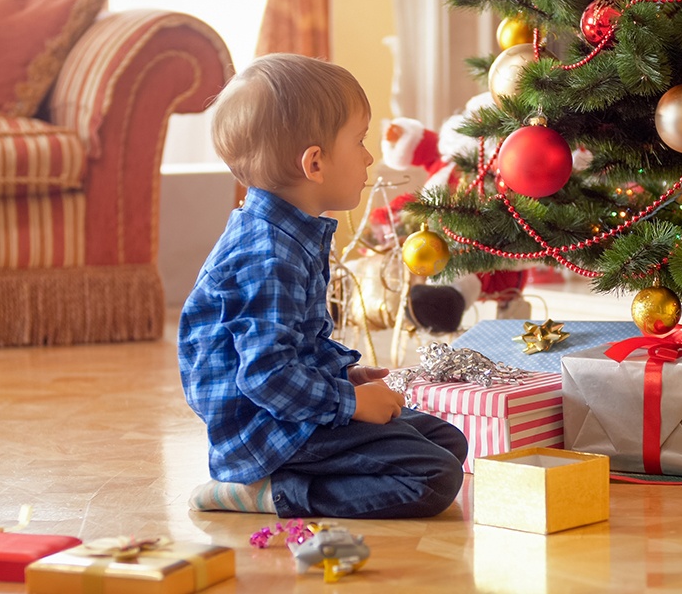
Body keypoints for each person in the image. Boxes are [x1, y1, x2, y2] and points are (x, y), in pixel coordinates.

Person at [178, 53, 468, 519]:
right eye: (359, 140)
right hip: (265, 429)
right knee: (434, 477)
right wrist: (349, 402)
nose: (370, 156)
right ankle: (267, 493)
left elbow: (293, 347)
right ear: (315, 163)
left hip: (290, 411)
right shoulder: (268, 256)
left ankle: (295, 477)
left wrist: (347, 377)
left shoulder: (290, 232)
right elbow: (266, 377)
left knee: (447, 441)